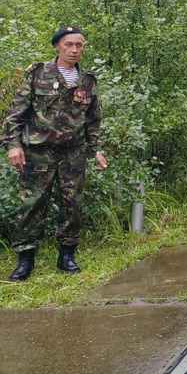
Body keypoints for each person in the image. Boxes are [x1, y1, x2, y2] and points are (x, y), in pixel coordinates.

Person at [2, 25, 107, 281]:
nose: (74, 50)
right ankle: (25, 259)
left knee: (72, 204)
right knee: (32, 204)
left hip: (73, 153)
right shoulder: (37, 73)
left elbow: (93, 121)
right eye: (69, 44)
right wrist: (12, 145)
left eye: (79, 45)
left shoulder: (87, 81)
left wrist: (97, 150)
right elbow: (16, 113)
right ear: (57, 46)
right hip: (38, 152)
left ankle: (67, 255)